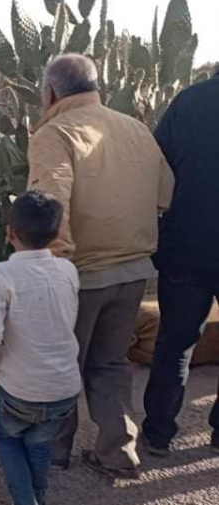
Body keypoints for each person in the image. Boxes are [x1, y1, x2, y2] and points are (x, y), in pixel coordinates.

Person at [27, 54, 174, 478]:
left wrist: (51, 269)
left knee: (61, 364)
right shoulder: (136, 128)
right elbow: (165, 193)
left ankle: (54, 451)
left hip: (80, 272)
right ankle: (119, 452)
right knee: (110, 364)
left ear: (50, 92)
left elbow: (50, 201)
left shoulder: (55, 133)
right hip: (132, 270)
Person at [0, 190, 82, 505]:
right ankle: (38, 494)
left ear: (9, 232)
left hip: (20, 388)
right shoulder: (68, 271)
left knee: (7, 439)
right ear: (57, 232)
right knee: (40, 442)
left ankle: (26, 500)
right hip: (64, 388)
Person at [141, 65, 219, 456]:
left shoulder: (188, 101)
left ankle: (158, 432)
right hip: (188, 242)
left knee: (175, 343)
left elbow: (157, 163)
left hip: (186, 243)